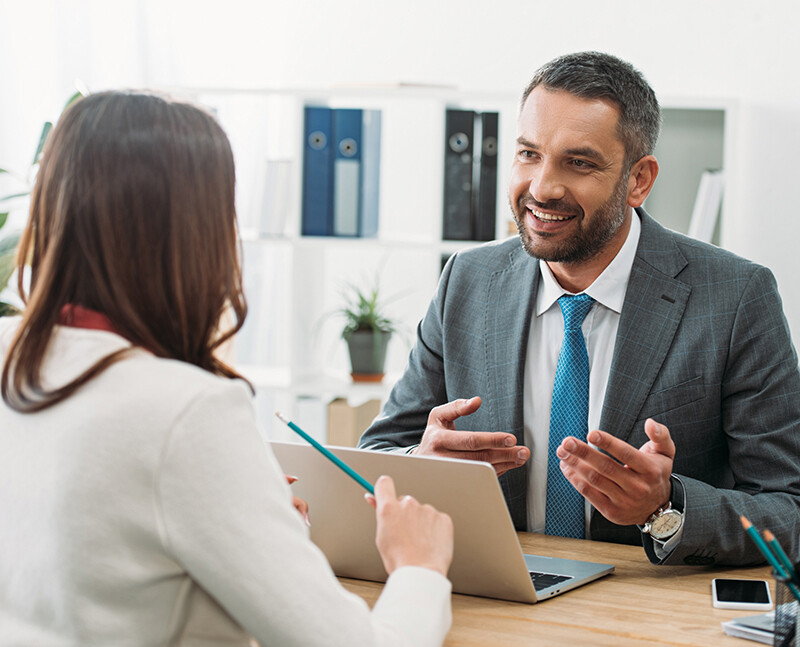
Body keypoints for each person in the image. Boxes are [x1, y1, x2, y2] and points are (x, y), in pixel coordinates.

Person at [0, 91, 454, 646]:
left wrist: (254, 525)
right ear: (199, 233)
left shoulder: (12, 354)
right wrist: (420, 567)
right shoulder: (185, 409)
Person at [359, 51, 800, 567]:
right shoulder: (466, 280)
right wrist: (421, 464)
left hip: (645, 617)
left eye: (580, 162)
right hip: (500, 600)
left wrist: (667, 508)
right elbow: (380, 453)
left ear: (639, 180)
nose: (542, 187)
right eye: (528, 154)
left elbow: (788, 508)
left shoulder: (735, 296)